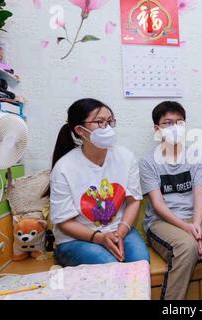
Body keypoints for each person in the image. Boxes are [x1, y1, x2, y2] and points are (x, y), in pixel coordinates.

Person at [139, 101, 202, 300]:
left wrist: (196, 224)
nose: (174, 128)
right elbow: (158, 205)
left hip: (194, 216)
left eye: (179, 122)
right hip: (162, 221)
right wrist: (187, 229)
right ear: (157, 129)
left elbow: (199, 193)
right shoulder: (147, 162)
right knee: (187, 247)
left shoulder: (194, 155)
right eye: (168, 123)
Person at [49, 98, 149, 266]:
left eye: (110, 122)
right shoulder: (64, 168)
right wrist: (99, 238)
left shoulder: (126, 157)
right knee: (110, 266)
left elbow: (133, 202)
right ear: (80, 130)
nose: (107, 128)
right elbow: (64, 222)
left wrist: (121, 233)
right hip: (75, 239)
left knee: (140, 263)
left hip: (118, 230)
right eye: (100, 122)